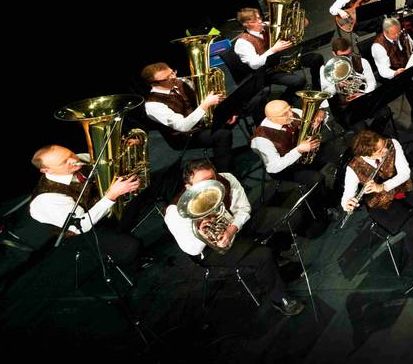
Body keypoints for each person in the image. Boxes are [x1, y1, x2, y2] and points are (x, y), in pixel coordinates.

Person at [163, 159, 305, 315]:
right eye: (204, 182)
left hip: (234, 226)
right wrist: (203, 235)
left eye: (212, 178)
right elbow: (191, 249)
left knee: (292, 217)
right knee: (263, 255)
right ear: (189, 187)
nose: (211, 186)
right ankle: (280, 298)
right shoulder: (175, 211)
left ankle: (276, 261)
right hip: (210, 248)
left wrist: (231, 230)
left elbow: (244, 209)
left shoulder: (226, 179)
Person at [340, 130, 413, 277]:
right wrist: (347, 203)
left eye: (383, 145)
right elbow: (347, 195)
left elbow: (405, 173)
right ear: (368, 155)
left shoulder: (392, 143)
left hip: (400, 186)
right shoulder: (353, 167)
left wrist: (383, 186)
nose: (385, 150)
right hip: (380, 202)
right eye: (380, 151)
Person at [28, 144, 144, 268]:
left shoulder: (79, 159)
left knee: (157, 183)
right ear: (46, 170)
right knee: (131, 247)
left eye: (70, 154)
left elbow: (112, 163)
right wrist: (111, 196)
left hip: (107, 207)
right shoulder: (46, 199)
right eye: (64, 162)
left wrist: (128, 148)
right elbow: (82, 225)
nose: (73, 160)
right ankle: (136, 265)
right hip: (84, 231)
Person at [141, 62, 235, 172]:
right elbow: (183, 126)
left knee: (235, 113)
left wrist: (225, 112)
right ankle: (224, 174)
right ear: (154, 84)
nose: (174, 77)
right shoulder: (152, 105)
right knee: (222, 135)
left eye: (172, 73)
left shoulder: (182, 82)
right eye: (168, 77)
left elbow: (202, 98)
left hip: (201, 122)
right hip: (184, 136)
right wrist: (205, 104)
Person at [249, 98, 334, 217]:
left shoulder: (293, 113)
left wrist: (321, 115)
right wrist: (299, 150)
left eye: (289, 108)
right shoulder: (262, 139)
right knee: (316, 179)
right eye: (284, 113)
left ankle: (339, 189)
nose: (290, 114)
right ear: (271, 118)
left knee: (335, 151)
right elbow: (273, 167)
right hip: (284, 168)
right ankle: (323, 210)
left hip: (303, 152)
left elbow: (315, 120)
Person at [233, 6, 313, 118]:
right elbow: (254, 64)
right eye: (255, 20)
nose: (260, 21)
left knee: (315, 58)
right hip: (264, 73)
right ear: (246, 24)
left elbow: (289, 27)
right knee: (299, 81)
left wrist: (300, 22)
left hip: (278, 63)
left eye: (259, 18)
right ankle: (281, 106)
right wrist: (274, 50)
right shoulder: (242, 43)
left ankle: (312, 90)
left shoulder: (265, 26)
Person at [371, 17, 413, 125]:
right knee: (411, 85)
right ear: (385, 32)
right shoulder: (378, 46)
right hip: (395, 73)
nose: (398, 35)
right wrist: (395, 73)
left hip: (410, 65)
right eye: (394, 34)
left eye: (398, 32)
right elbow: (383, 70)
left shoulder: (402, 33)